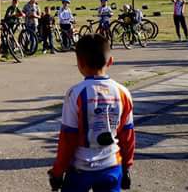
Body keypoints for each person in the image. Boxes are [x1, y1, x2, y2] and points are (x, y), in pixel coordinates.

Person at [48, 34, 135, 192]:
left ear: (79, 63)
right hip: (112, 166)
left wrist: (58, 171)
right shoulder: (123, 92)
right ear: (110, 61)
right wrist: (127, 166)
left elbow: (68, 138)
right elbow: (127, 135)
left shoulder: (75, 93)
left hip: (80, 169)